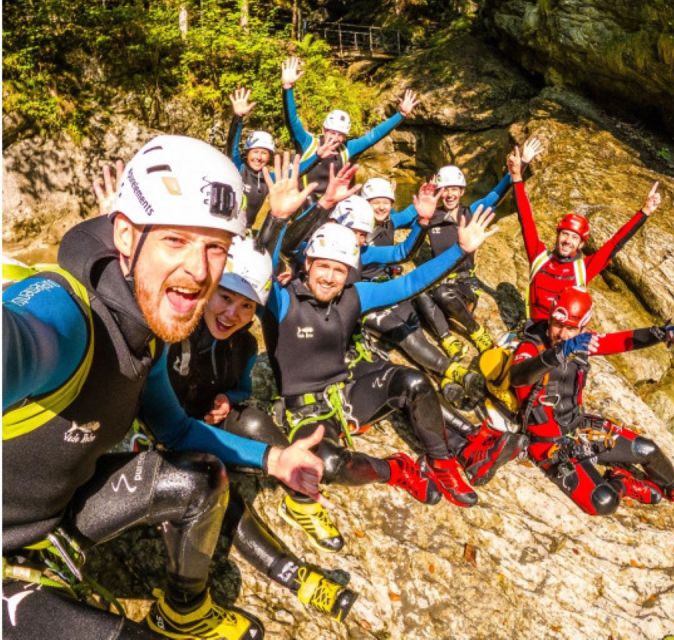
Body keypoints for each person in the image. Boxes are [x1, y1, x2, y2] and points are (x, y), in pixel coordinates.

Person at [2, 136, 327, 639]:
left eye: (215, 247)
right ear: (128, 239)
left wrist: (274, 460)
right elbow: (19, 339)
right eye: (175, 240)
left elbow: (174, 428)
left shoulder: (144, 336)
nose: (199, 271)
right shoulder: (69, 315)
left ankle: (183, 610)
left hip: (57, 517)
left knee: (201, 478)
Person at [260, 198, 499, 531]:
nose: (329, 277)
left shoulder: (354, 296)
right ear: (308, 264)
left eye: (339, 269)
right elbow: (261, 270)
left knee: (412, 381)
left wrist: (459, 251)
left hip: (348, 393)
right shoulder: (283, 301)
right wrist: (277, 218)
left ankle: (442, 463)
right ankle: (397, 470)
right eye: (323, 266)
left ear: (349, 273)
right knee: (327, 463)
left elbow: (409, 284)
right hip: (305, 411)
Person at [155, 235, 357, 620]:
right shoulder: (175, 330)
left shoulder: (245, 346)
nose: (232, 314)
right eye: (226, 298)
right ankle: (294, 575)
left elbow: (244, 389)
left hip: (203, 423)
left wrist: (229, 399)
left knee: (251, 416)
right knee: (210, 484)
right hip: (169, 438)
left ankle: (299, 494)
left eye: (246, 306)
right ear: (208, 288)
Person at [509, 287, 674, 516]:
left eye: (571, 329)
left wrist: (661, 333)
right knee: (604, 501)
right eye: (557, 325)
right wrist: (558, 353)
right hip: (548, 442)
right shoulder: (531, 346)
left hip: (577, 425)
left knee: (647, 449)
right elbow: (518, 376)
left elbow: (620, 341)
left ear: (583, 327)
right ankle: (623, 483)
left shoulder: (581, 343)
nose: (562, 334)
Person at [358, 177, 485, 406]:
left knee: (415, 328)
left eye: (386, 201)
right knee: (407, 337)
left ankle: (441, 379)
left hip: (388, 285)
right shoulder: (357, 237)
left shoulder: (389, 221)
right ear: (363, 203)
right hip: (367, 297)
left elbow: (409, 231)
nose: (381, 207)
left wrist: (425, 214)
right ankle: (454, 372)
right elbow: (400, 253)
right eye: (375, 202)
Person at [506, 144, 660, 325]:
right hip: (535, 333)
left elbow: (615, 243)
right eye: (565, 234)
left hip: (563, 336)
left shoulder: (584, 269)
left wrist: (644, 212)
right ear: (557, 236)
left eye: (574, 237)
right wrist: (516, 177)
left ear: (581, 244)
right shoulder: (538, 256)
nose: (567, 241)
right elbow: (526, 220)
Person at [421, 138, 542, 356]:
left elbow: (495, 195)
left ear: (461, 191)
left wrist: (520, 165)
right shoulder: (431, 217)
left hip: (464, 285)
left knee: (442, 293)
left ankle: (475, 331)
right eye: (445, 189)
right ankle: (446, 339)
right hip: (440, 282)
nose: (449, 194)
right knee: (420, 294)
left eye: (454, 189)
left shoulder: (470, 212)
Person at [281, 56, 419, 195]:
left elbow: (374, 135)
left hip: (330, 205)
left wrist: (400, 115)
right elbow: (292, 120)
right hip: (303, 202)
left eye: (340, 134)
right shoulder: (308, 143)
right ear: (324, 130)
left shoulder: (346, 149)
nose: (335, 138)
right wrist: (288, 88)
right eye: (332, 132)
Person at [226, 87, 333, 230]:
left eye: (264, 153)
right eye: (255, 152)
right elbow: (232, 146)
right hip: (227, 226)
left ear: (269, 156)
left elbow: (297, 171)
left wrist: (317, 157)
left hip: (246, 231)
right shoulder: (238, 168)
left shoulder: (269, 178)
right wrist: (238, 118)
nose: (259, 157)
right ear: (247, 153)